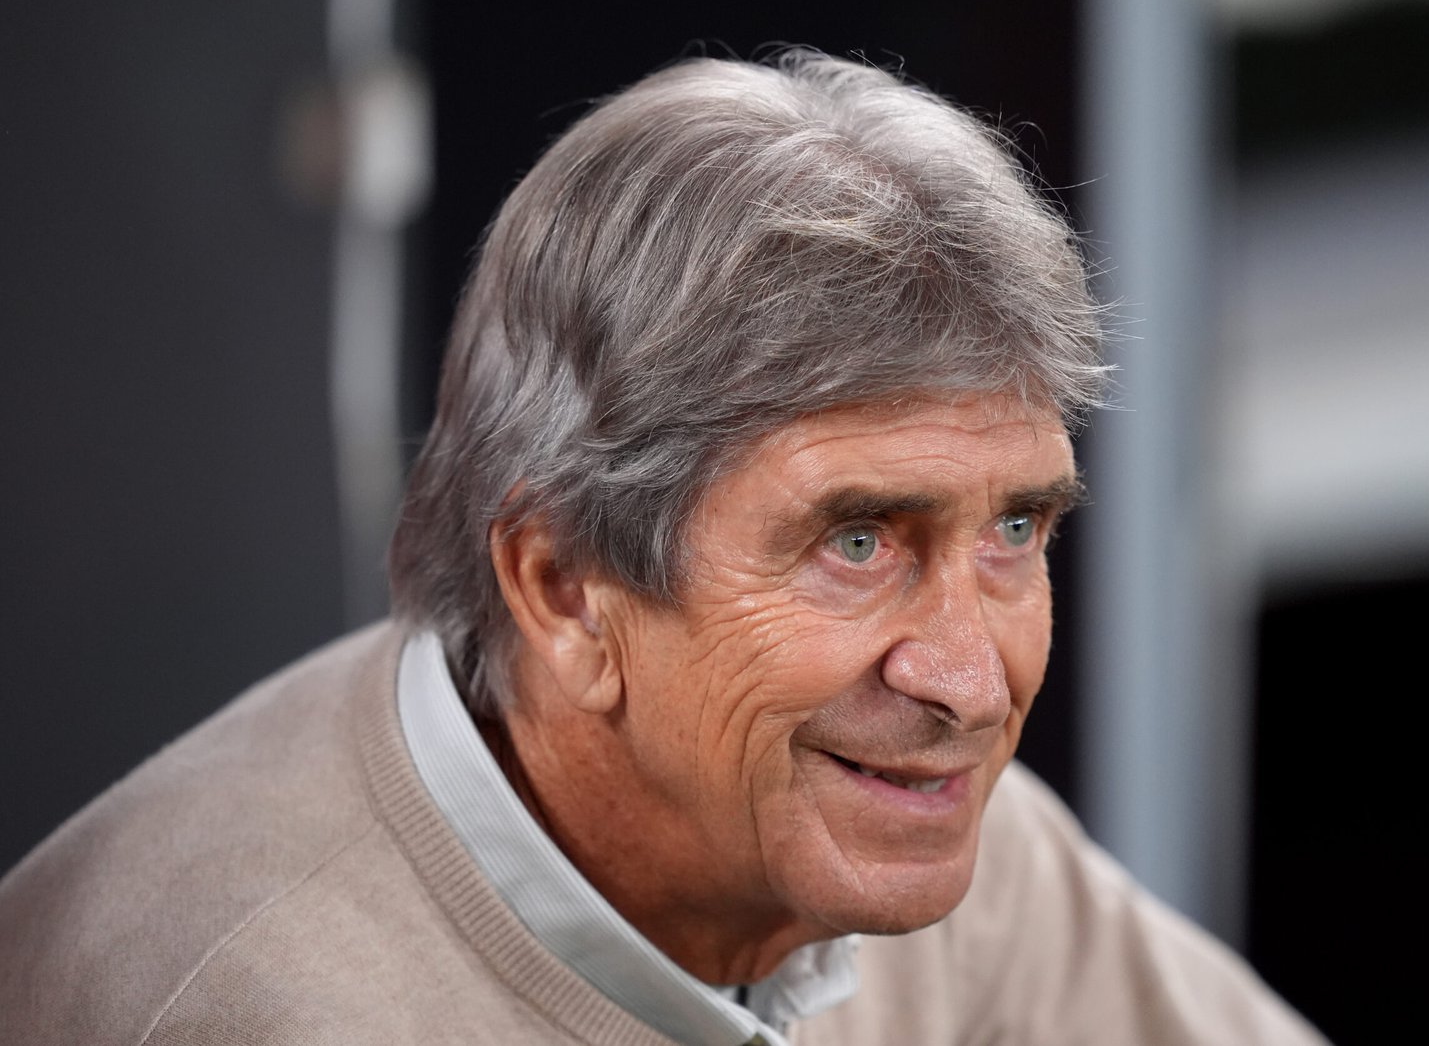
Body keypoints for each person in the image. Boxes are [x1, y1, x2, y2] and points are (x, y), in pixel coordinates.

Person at [0, 51, 1325, 1044]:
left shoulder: (931, 838)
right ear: (564, 586)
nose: (972, 685)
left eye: (1017, 528)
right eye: (859, 540)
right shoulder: (241, 1006)